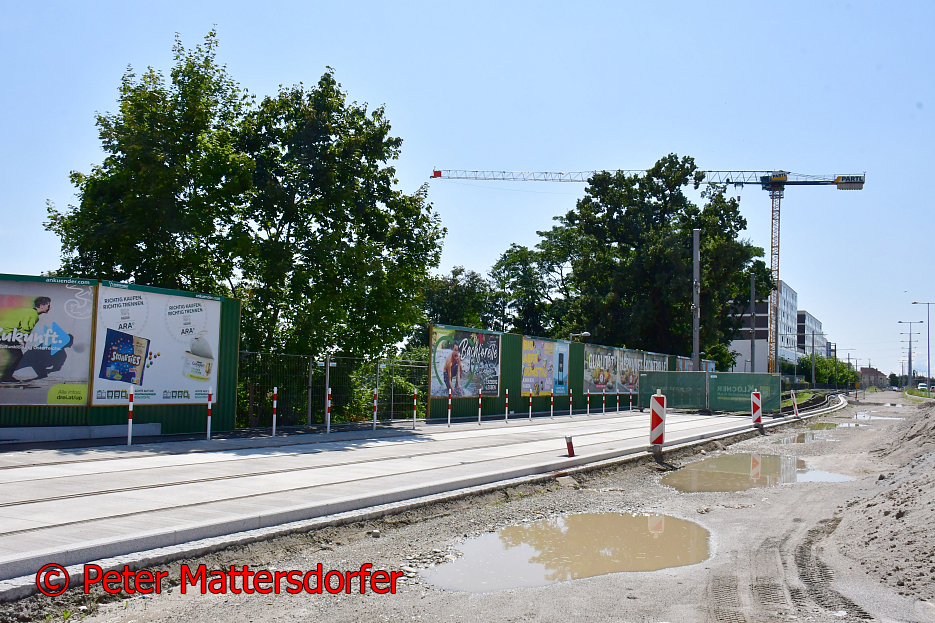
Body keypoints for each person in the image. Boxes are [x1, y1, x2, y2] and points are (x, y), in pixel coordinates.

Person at [0, 296, 51, 383]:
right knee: (17, 355)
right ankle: (6, 377)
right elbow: (25, 329)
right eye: (48, 306)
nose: (49, 308)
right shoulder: (33, 314)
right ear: (41, 306)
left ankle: (5, 376)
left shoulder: (29, 311)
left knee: (14, 355)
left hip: (5, 332)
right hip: (6, 333)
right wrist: (22, 341)